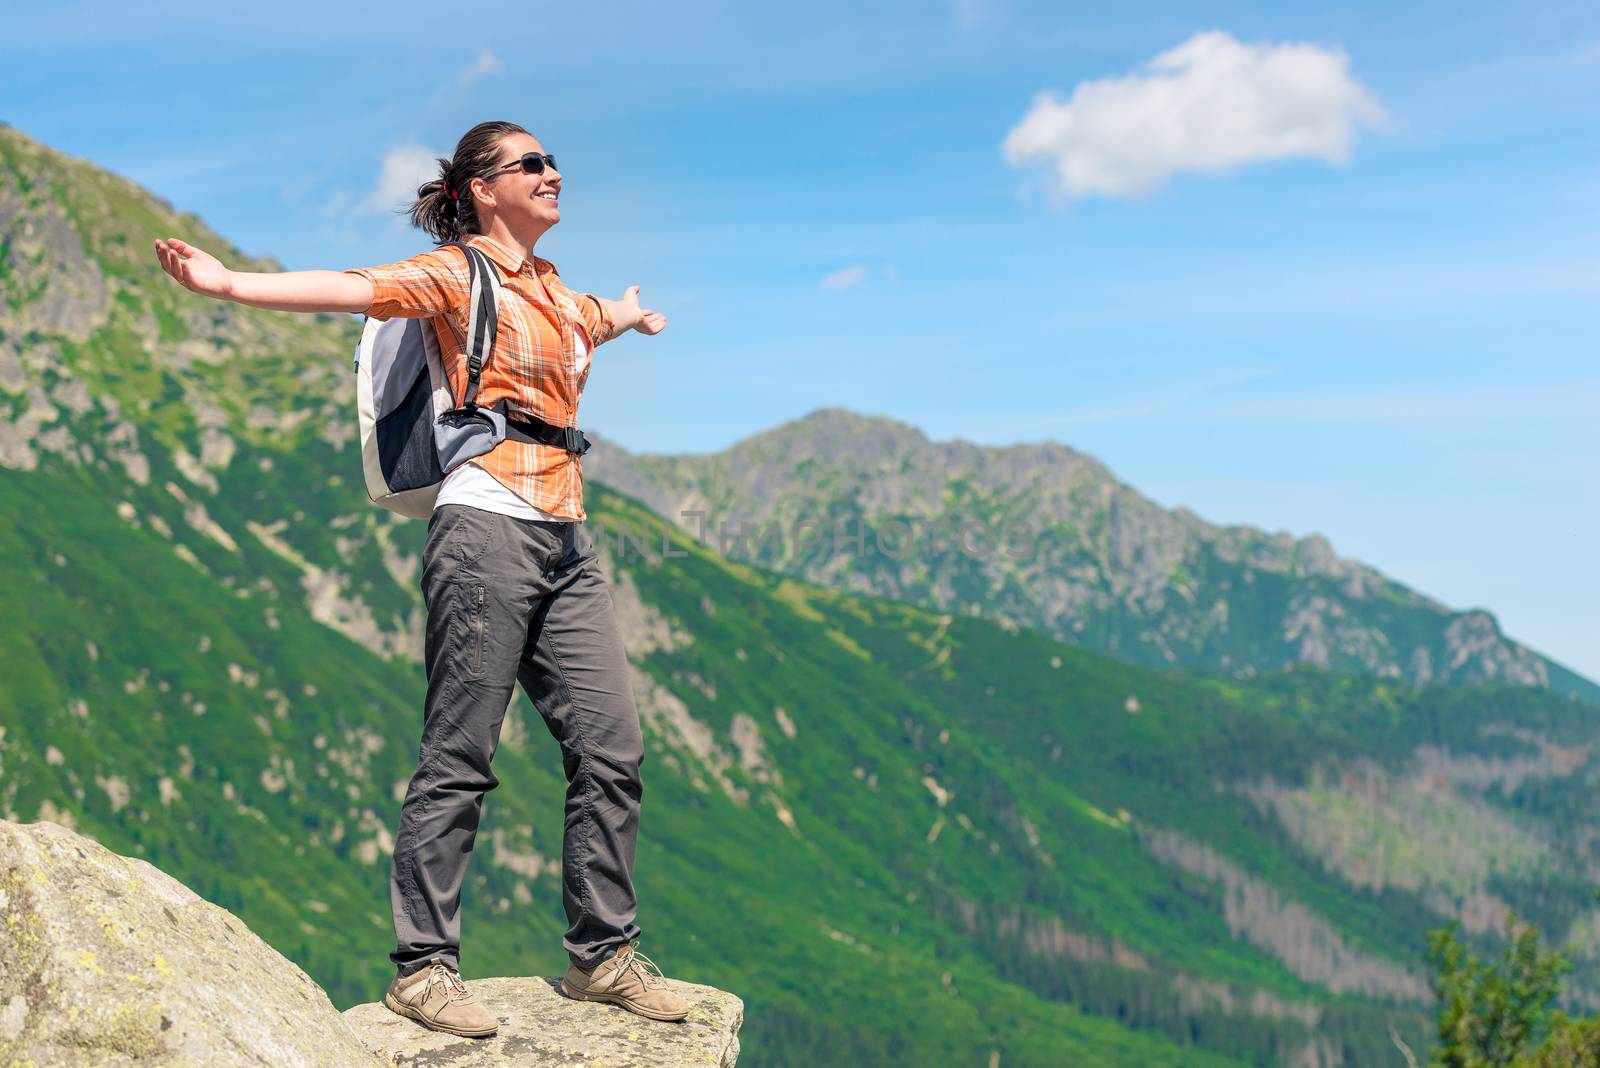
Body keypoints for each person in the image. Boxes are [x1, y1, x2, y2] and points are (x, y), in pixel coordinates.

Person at [154, 120, 689, 1038]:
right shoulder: (454, 274)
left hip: (568, 537)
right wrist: (230, 283)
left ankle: (602, 956)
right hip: (486, 528)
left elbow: (587, 320)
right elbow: (355, 288)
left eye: (553, 161)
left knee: (612, 750)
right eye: (532, 164)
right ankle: (422, 969)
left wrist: (627, 315)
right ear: (484, 189)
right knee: (461, 754)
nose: (553, 173)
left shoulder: (556, 290)